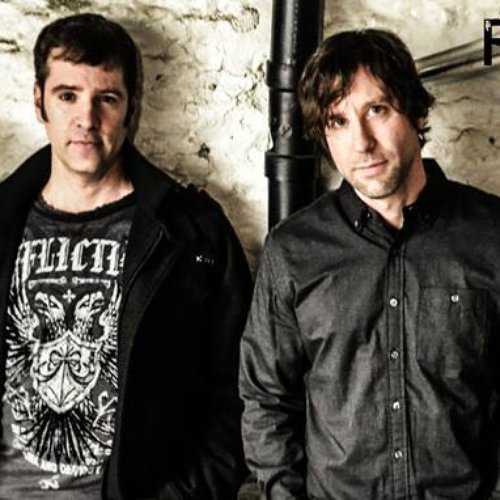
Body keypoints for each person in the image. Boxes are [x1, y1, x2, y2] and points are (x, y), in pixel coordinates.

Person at [240, 28, 500, 499]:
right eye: (338, 121)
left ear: (416, 112)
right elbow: (266, 399)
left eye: (376, 110)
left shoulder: (491, 235)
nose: (361, 142)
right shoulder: (293, 250)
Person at [0, 12, 252, 499]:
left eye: (107, 99)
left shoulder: (191, 234)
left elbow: (239, 394)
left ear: (131, 107)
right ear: (38, 101)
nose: (86, 119)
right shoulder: (3, 221)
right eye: (67, 95)